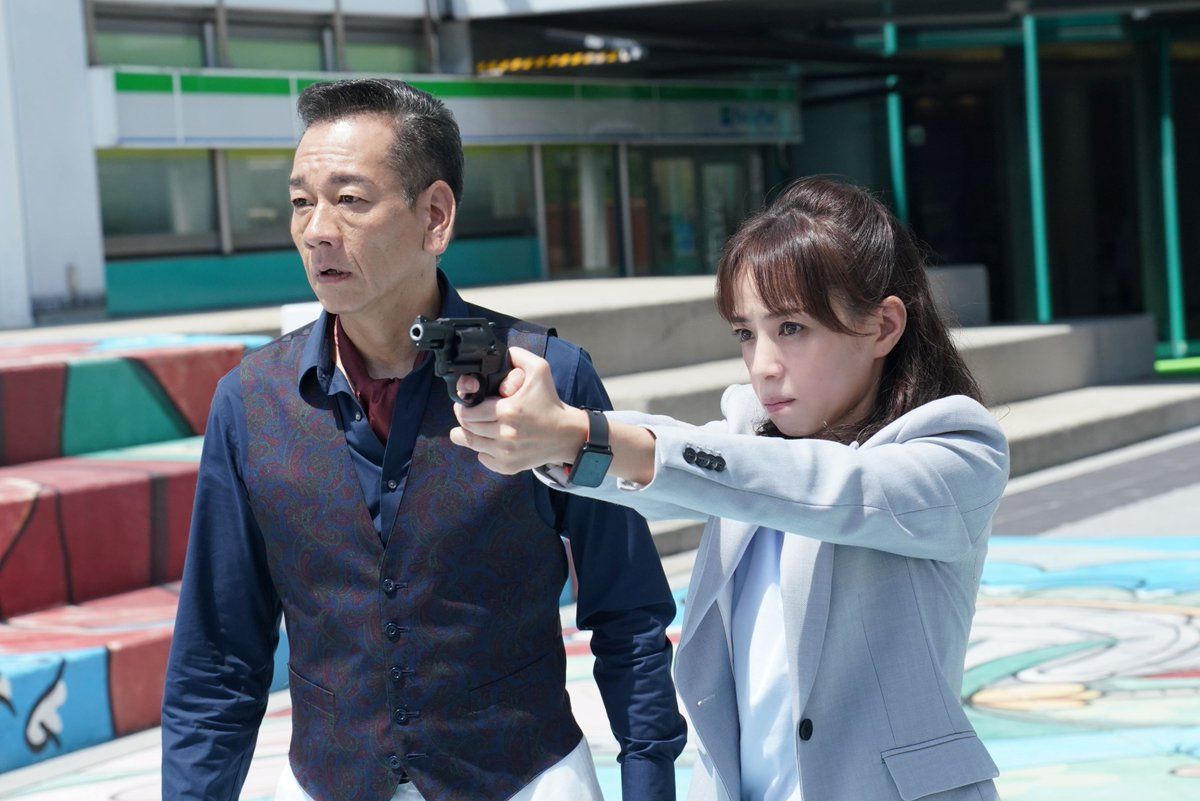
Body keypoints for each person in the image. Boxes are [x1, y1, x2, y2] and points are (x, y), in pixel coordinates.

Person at [161, 79, 687, 801]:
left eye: (349, 199)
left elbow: (628, 613)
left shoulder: (549, 378)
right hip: (325, 783)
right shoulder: (249, 402)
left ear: (434, 217)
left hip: (527, 778)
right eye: (301, 202)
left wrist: (649, 782)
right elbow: (218, 655)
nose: (316, 230)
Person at [450, 176, 1010, 801]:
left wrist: (584, 433)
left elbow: (831, 488)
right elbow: (681, 468)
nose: (763, 364)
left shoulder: (959, 449)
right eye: (746, 333)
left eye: (792, 328)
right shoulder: (747, 445)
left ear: (883, 326)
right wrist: (557, 438)